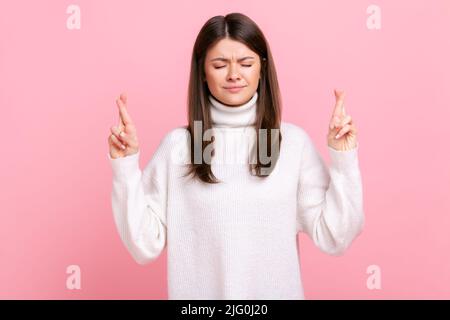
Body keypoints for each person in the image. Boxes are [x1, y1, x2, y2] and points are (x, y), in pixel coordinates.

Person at [107, 12, 364, 300]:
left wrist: (343, 160)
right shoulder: (180, 147)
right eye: (219, 64)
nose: (233, 74)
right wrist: (126, 167)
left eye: (246, 63)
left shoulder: (291, 144)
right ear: (202, 72)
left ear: (262, 69)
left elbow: (335, 237)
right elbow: (144, 245)